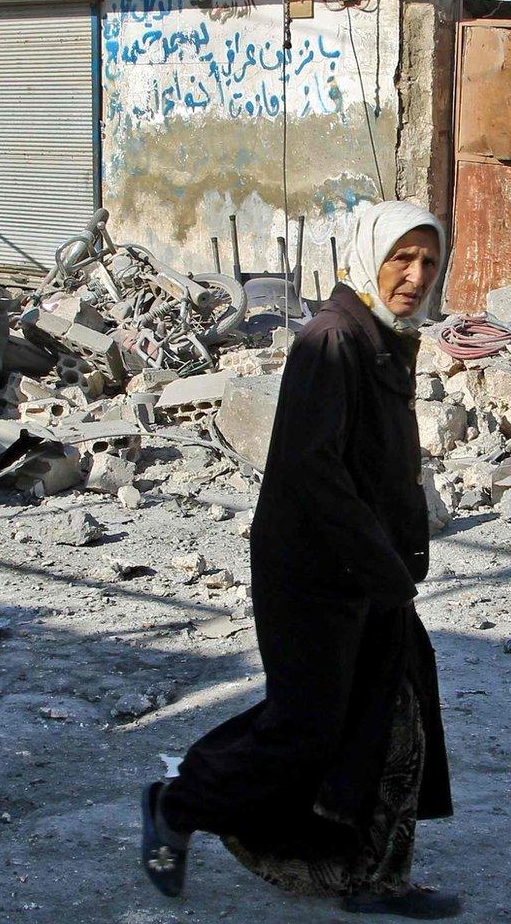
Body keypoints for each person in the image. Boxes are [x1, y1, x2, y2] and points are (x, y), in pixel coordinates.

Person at [141, 200, 459, 920]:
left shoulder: (382, 335)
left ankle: (374, 878)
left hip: (369, 573)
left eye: (428, 261)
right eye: (401, 258)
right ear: (366, 255)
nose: (415, 275)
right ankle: (178, 804)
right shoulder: (332, 340)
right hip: (316, 577)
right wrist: (381, 565)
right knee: (304, 728)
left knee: (392, 717)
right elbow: (312, 471)